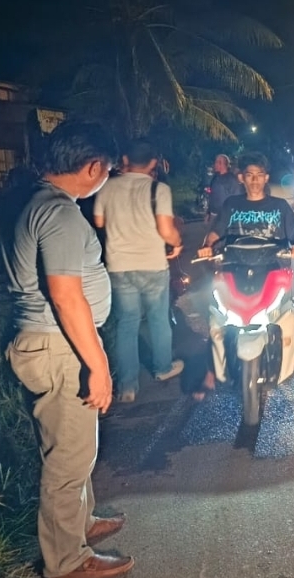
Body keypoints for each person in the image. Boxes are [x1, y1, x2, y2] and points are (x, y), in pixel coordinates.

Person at [0, 120, 135, 578]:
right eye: (106, 171)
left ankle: (81, 524)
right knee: (68, 460)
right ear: (93, 166)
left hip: (47, 343)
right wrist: (97, 366)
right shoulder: (58, 214)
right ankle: (66, 562)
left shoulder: (35, 201)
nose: (105, 179)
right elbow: (65, 295)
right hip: (60, 347)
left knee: (73, 449)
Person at [197, 151, 294, 373]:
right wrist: (207, 246)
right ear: (242, 178)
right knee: (219, 306)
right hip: (234, 265)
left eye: (259, 175)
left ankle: (292, 346)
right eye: (249, 175)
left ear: (266, 178)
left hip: (273, 267)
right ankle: (221, 347)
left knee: (287, 307)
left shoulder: (279, 206)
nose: (255, 180)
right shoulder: (231, 204)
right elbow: (215, 233)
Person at [94, 139, 185, 404]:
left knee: (127, 323)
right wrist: (177, 243)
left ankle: (127, 386)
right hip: (152, 264)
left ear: (124, 160)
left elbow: (99, 220)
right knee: (158, 319)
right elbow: (166, 230)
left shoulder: (107, 187)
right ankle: (163, 368)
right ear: (153, 163)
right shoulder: (159, 189)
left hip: (119, 266)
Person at [207, 154, 243, 225]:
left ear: (223, 164)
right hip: (213, 214)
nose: (215, 164)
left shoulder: (231, 180)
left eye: (217, 162)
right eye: (216, 162)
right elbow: (211, 196)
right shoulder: (215, 177)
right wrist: (208, 213)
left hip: (226, 216)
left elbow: (236, 198)